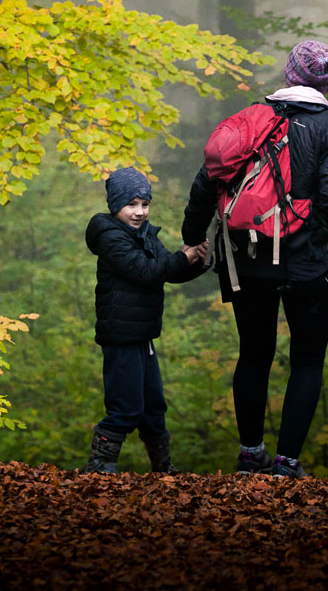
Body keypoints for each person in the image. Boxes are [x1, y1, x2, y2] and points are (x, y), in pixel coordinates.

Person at [182, 41, 328, 478]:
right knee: (307, 359)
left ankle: (251, 454)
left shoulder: (251, 119)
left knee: (253, 352)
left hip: (246, 258)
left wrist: (193, 236)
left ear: (289, 73)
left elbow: (206, 182)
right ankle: (286, 463)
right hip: (305, 262)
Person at [85, 166, 209, 474]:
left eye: (144, 204)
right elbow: (147, 271)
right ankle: (99, 470)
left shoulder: (145, 235)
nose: (140, 212)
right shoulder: (111, 238)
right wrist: (182, 257)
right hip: (121, 336)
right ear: (115, 205)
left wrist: (199, 260)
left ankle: (163, 470)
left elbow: (168, 270)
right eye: (132, 205)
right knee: (125, 408)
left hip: (143, 335)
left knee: (154, 409)